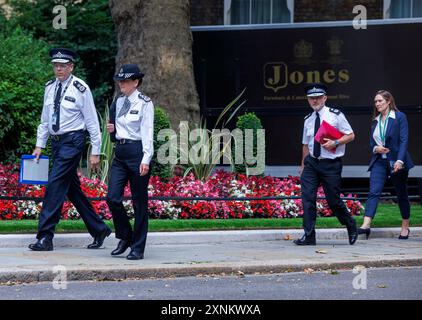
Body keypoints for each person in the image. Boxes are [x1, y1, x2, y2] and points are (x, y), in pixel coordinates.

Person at [29, 48, 112, 251]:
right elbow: (44, 120)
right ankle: (99, 229)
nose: (58, 69)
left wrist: (95, 151)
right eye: (56, 65)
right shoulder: (50, 87)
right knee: (72, 190)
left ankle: (45, 237)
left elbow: (92, 122)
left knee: (55, 185)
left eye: (63, 65)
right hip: (56, 143)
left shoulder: (80, 88)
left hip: (73, 141)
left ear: (71, 67)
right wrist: (39, 145)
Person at [295, 83, 358, 246]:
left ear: (325, 98)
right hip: (311, 164)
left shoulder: (335, 115)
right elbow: (305, 144)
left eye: (317, 98)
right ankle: (309, 235)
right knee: (307, 198)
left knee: (333, 200)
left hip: (330, 164)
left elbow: (351, 135)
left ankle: (350, 224)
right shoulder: (308, 119)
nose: (314, 101)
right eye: (311, 98)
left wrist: (336, 141)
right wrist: (303, 165)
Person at [106, 64, 154, 260]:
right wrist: (113, 132)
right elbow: (117, 129)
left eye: (125, 81)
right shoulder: (118, 102)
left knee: (139, 202)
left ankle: (138, 247)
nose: (121, 84)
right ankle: (126, 236)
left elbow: (148, 132)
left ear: (136, 82)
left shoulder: (144, 103)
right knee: (112, 198)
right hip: (121, 153)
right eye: (120, 80)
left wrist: (146, 159)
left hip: (137, 152)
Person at [358, 90, 414, 240]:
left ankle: (405, 227)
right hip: (379, 161)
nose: (377, 104)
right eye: (375, 102)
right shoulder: (375, 120)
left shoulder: (399, 117)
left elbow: (404, 140)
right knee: (373, 192)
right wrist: (376, 148)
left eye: (380, 101)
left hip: (397, 162)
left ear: (388, 101)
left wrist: (400, 160)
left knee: (401, 194)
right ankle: (366, 225)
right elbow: (372, 143)